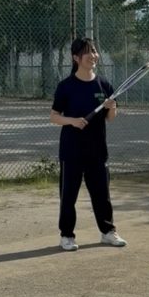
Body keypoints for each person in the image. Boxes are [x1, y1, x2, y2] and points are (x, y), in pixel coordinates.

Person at [50, 37, 127, 251]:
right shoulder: (66, 86)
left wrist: (112, 107)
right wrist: (72, 121)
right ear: (76, 58)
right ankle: (67, 236)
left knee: (102, 195)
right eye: (87, 52)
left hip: (97, 151)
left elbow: (110, 118)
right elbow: (54, 116)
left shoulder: (104, 85)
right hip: (72, 151)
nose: (93, 56)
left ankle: (108, 232)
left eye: (94, 51)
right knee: (68, 197)